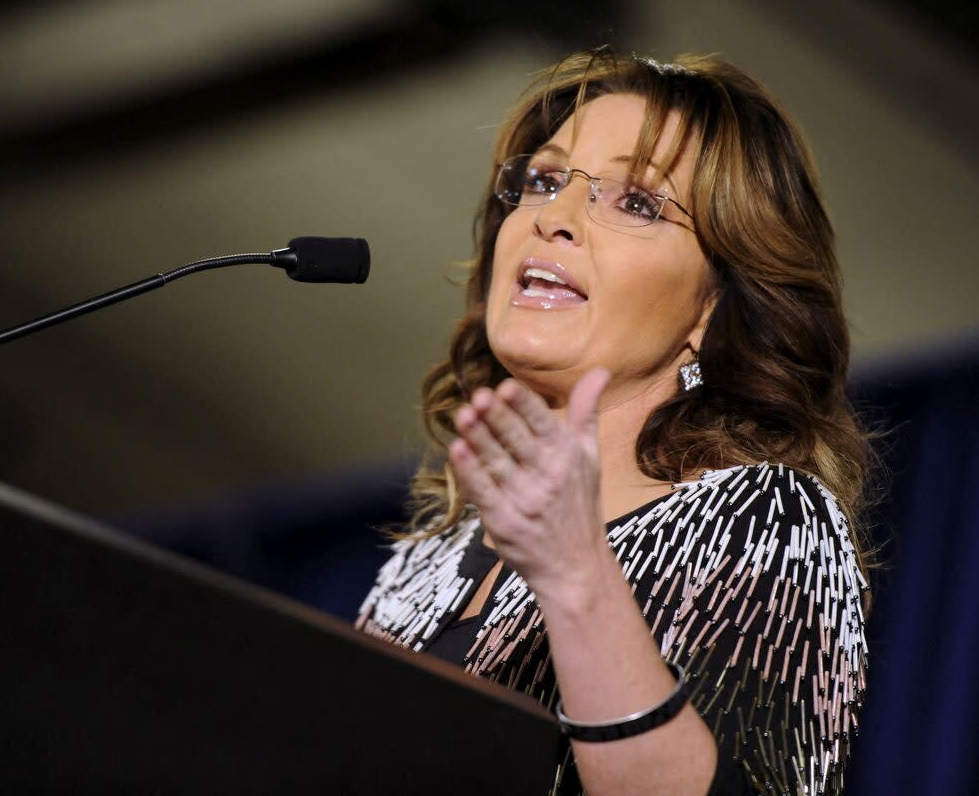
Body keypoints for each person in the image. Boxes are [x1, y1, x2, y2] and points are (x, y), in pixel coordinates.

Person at [355, 48, 874, 796]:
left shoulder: (766, 523)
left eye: (636, 202)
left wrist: (576, 575)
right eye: (541, 181)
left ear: (713, 309)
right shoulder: (426, 562)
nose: (554, 218)